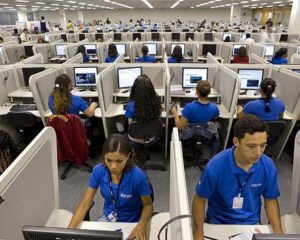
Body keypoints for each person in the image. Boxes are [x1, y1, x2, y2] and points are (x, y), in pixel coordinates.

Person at [192, 115, 283, 240]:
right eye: (251, 146)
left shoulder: (267, 165)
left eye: (263, 145)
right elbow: (199, 200)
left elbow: (271, 200)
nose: (258, 152)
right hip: (219, 223)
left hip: (250, 224)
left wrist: (279, 235)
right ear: (236, 142)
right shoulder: (216, 166)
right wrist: (198, 235)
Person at [68, 134, 153, 240]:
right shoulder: (99, 170)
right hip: (108, 218)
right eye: (109, 160)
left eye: (119, 161)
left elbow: (148, 205)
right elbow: (85, 203)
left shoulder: (138, 176)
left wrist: (142, 224)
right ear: (104, 156)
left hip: (132, 222)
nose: (113, 166)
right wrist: (68, 233)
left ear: (127, 156)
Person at [170, 81, 220, 158]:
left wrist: (175, 113)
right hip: (205, 134)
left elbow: (180, 126)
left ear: (197, 92)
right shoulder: (214, 107)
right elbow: (215, 117)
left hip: (189, 135)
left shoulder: (189, 107)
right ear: (209, 92)